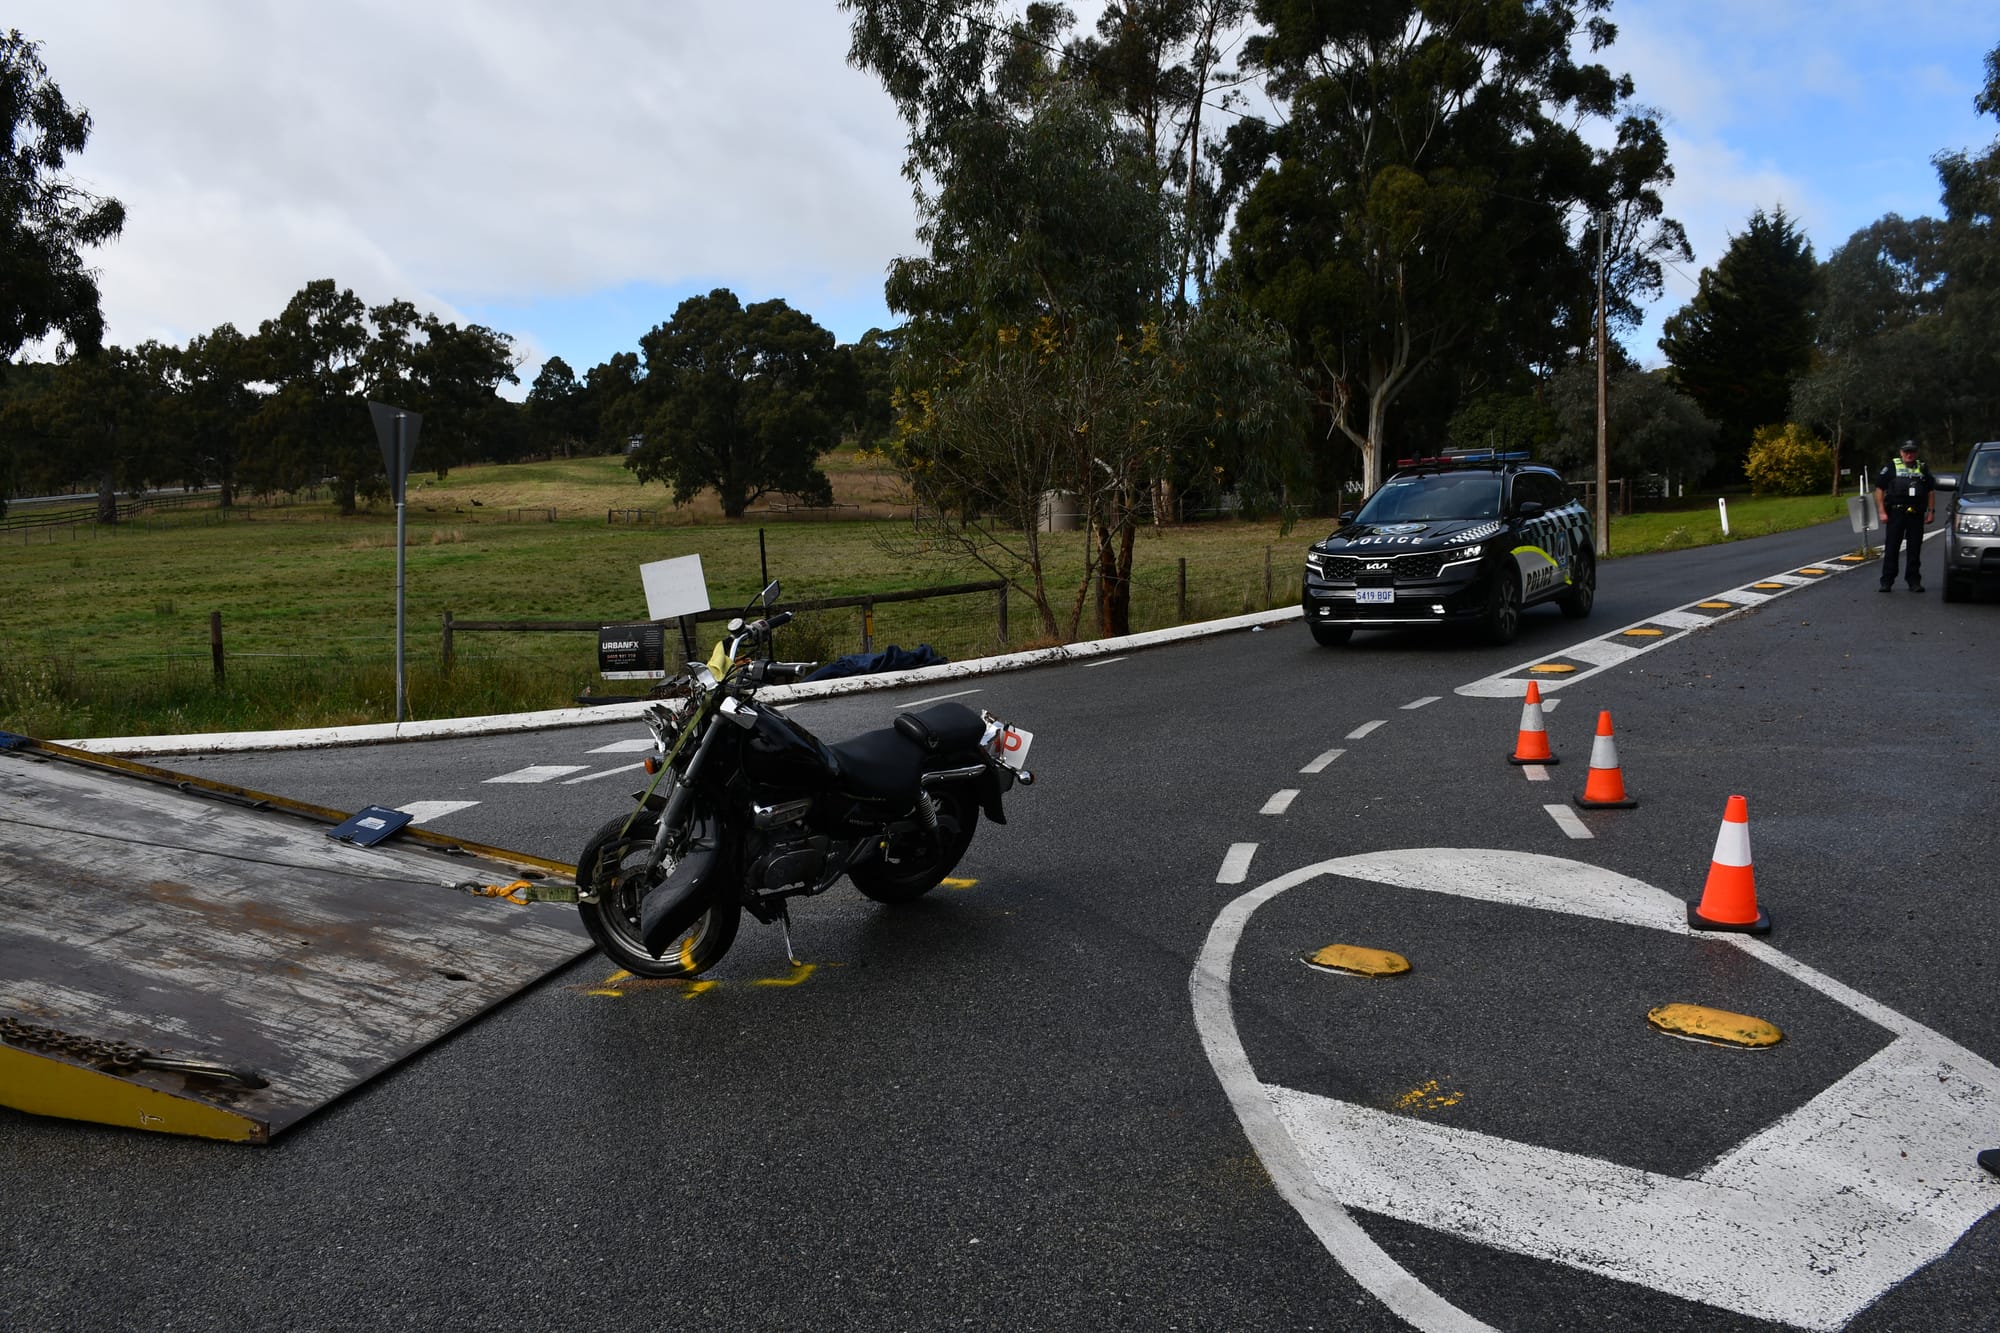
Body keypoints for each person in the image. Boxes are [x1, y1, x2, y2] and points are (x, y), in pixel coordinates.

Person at [1874, 440, 1936, 592]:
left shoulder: (1922, 468)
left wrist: (1931, 511)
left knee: (1914, 549)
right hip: (1896, 513)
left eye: (1912, 451)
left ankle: (1914, 581)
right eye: (1906, 451)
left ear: (1916, 453)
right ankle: (1887, 581)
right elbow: (1879, 490)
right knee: (1892, 548)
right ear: (1901, 452)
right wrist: (1881, 511)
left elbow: (1930, 491)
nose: (1909, 454)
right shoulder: (1890, 467)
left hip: (1915, 514)